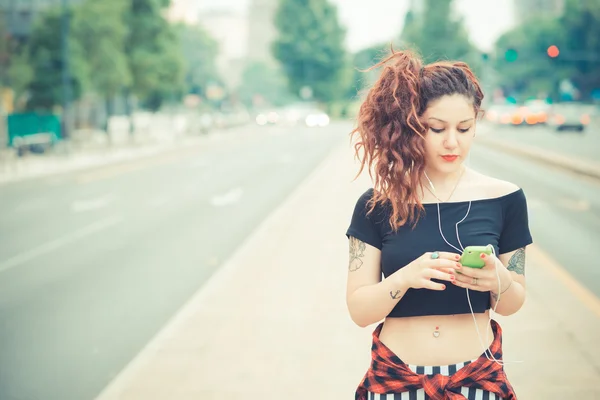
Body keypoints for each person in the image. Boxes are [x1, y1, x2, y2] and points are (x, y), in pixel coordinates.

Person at [345, 48, 533, 400]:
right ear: (412, 127)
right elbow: (358, 310)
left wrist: (499, 278)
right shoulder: (377, 204)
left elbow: (512, 303)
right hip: (396, 379)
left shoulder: (505, 198)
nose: (452, 142)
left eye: (464, 128)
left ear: (476, 122)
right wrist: (406, 277)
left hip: (476, 377)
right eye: (436, 128)